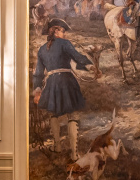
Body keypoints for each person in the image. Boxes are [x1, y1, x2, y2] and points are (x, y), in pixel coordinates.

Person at [32, 18, 99, 160]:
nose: (65, 34)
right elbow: (78, 57)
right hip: (66, 81)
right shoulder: (65, 43)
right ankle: (74, 154)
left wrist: (37, 90)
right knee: (72, 115)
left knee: (53, 114)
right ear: (56, 31)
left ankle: (57, 146)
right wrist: (92, 67)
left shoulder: (42, 49)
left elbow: (38, 73)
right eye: (63, 31)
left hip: (51, 83)